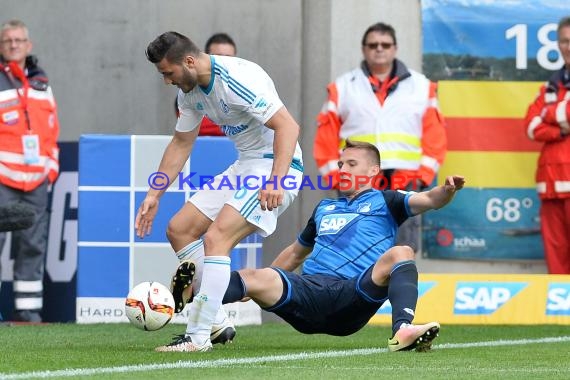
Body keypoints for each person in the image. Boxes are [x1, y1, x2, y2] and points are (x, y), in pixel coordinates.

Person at [194, 140, 462, 352]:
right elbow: (295, 253)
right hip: (310, 295)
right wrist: (252, 288)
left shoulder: (388, 200)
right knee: (252, 275)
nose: (342, 170)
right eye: (341, 164)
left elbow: (429, 199)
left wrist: (447, 190)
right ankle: (185, 306)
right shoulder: (325, 207)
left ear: (372, 171)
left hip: (354, 294)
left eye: (351, 164)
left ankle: (402, 330)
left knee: (402, 252)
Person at [136, 31, 303, 352]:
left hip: (276, 167)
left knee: (216, 240)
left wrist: (276, 180)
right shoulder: (189, 92)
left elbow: (289, 126)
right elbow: (181, 142)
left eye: (167, 73)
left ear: (188, 61)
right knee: (179, 229)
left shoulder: (236, 78)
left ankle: (197, 336)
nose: (166, 81)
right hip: (245, 165)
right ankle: (215, 321)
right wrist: (154, 194)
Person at [313, 22, 447, 252]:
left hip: (405, 177)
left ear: (395, 48)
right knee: (354, 245)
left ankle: (399, 288)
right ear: (364, 49)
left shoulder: (422, 86)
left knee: (403, 247)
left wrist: (423, 177)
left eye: (385, 44)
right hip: (357, 178)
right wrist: (336, 176)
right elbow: (325, 135)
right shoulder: (343, 87)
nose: (379, 49)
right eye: (373, 44)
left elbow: (435, 135)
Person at [0, 19, 60, 322]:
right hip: (2, 177)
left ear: (28, 45)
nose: (13, 45)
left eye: (19, 40)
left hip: (36, 179)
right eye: (8, 40)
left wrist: (50, 167)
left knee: (33, 245)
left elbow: (51, 128)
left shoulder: (41, 82)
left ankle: (28, 311)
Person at [524, 16, 570, 274]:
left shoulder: (549, 93)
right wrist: (561, 127)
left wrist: (550, 114)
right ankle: (562, 315)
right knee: (557, 264)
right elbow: (530, 125)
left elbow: (542, 118)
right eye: (564, 41)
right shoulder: (550, 85)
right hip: (551, 185)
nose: (569, 47)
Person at [173, 32, 237, 137]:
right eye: (218, 57)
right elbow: (197, 128)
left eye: (228, 58)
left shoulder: (243, 89)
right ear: (206, 58)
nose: (224, 62)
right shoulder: (188, 94)